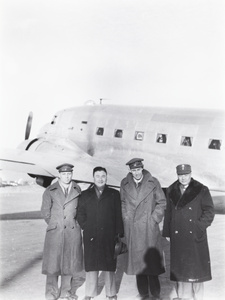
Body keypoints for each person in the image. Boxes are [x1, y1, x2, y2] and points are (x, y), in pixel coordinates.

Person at [162, 164, 215, 300]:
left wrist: (198, 227)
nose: (183, 178)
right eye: (180, 175)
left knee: (196, 271)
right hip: (178, 235)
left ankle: (198, 297)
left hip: (195, 236)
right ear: (177, 175)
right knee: (181, 271)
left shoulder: (201, 190)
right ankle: (182, 297)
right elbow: (168, 213)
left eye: (186, 174)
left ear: (190, 174)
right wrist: (168, 232)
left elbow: (209, 211)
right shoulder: (171, 190)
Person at [120, 158, 166, 300]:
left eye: (138, 169)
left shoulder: (153, 182)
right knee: (138, 265)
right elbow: (122, 202)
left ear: (142, 168)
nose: (136, 173)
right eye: (133, 170)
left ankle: (156, 295)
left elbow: (162, 202)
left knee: (151, 264)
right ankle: (144, 294)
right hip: (133, 228)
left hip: (148, 228)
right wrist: (126, 217)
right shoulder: (124, 183)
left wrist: (153, 219)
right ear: (130, 171)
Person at [76, 166, 124, 300]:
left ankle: (111, 293)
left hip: (109, 235)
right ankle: (90, 293)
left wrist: (119, 233)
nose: (100, 179)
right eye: (97, 176)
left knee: (109, 265)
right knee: (91, 265)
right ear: (93, 178)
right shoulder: (85, 195)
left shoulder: (114, 194)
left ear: (106, 177)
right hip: (91, 235)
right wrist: (86, 226)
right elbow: (80, 214)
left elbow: (118, 214)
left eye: (103, 176)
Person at [41, 163, 83, 300]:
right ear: (59, 175)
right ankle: (51, 294)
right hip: (55, 232)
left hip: (72, 232)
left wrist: (74, 224)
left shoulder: (77, 189)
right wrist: (55, 224)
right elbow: (45, 212)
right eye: (64, 174)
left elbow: (81, 211)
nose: (67, 176)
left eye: (69, 173)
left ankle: (66, 293)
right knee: (52, 265)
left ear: (72, 174)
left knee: (69, 264)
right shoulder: (50, 190)